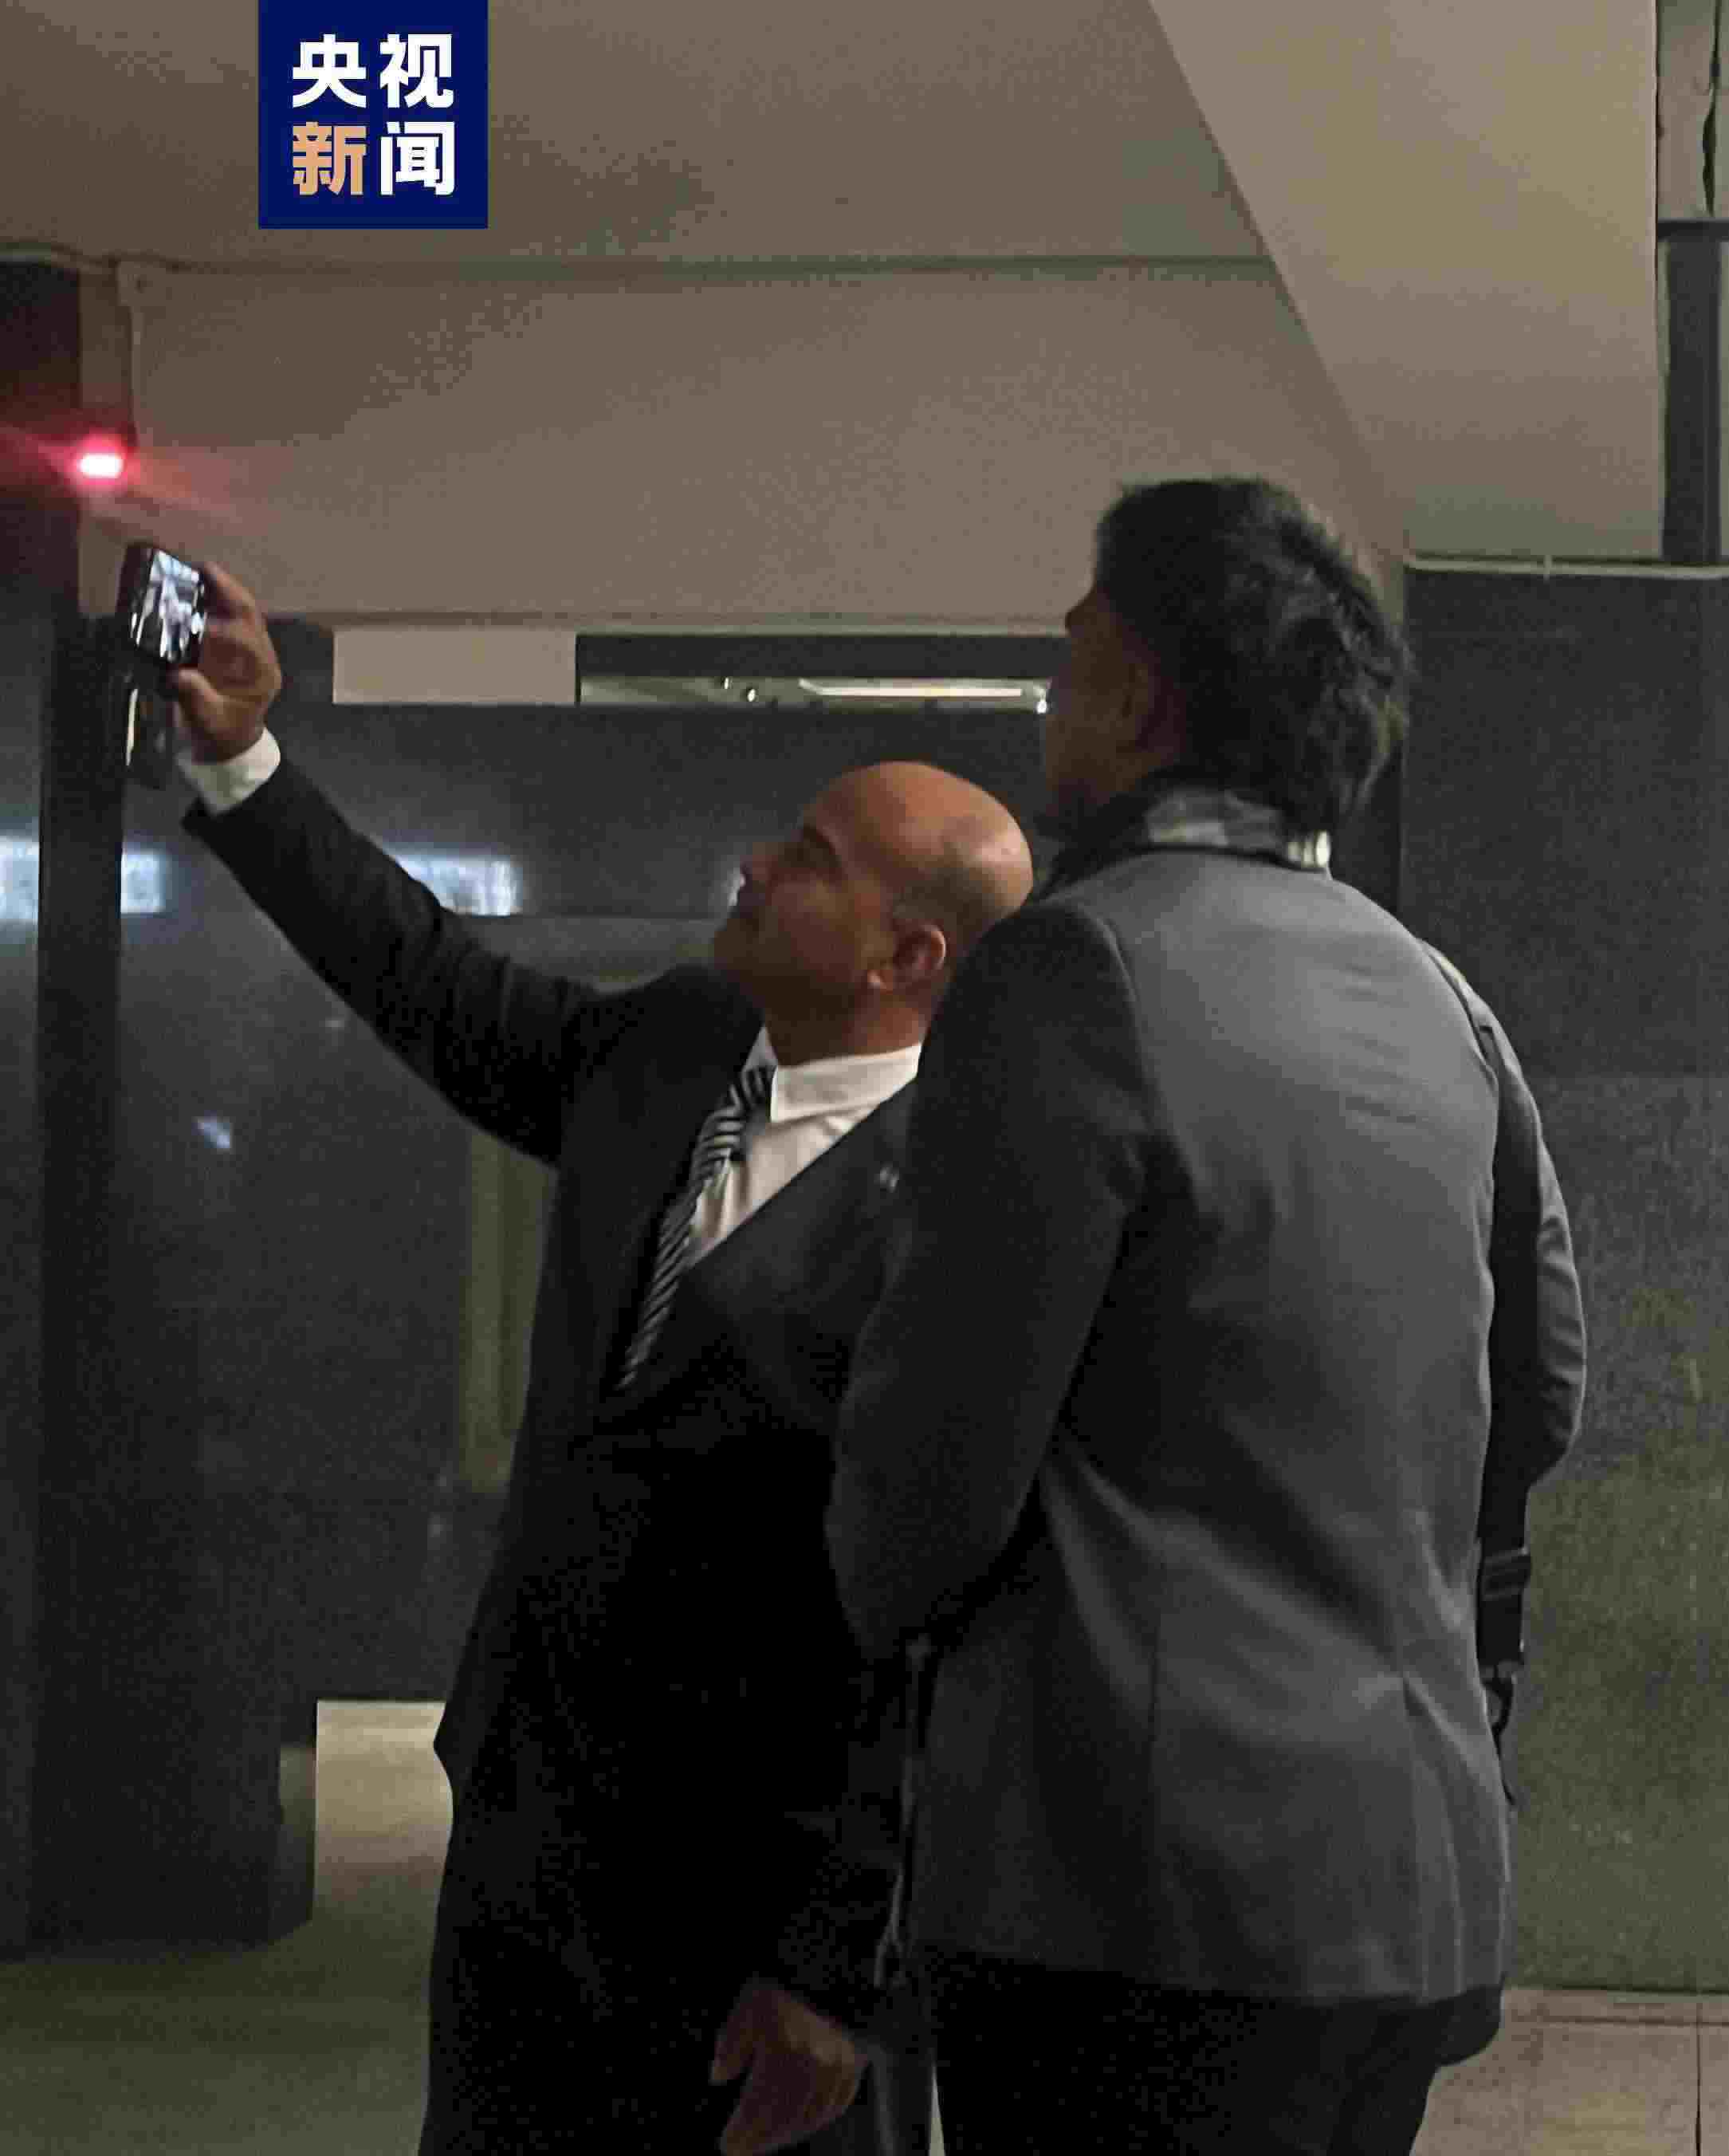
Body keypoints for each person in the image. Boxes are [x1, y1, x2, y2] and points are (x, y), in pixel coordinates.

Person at [161, 561, 1034, 2156]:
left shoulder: (970, 1215)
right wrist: (245, 764)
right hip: (527, 1826)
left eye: (811, 861)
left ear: (904, 958)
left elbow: (928, 1625)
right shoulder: (675, 1048)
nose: (756, 863)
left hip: (748, 1906)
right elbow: (431, 982)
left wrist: (835, 1962)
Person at [826, 476, 1588, 2155]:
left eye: (1073, 655)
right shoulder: (1441, 999)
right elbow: (1538, 1400)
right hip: (1407, 1884)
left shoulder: (1068, 972)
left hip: (1132, 1899)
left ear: (1142, 699)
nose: (1051, 695)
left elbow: (934, 1477)